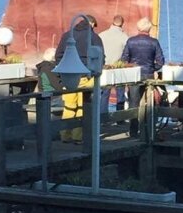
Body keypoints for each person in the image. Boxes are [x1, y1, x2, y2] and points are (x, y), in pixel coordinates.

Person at [55, 14, 104, 144]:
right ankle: (79, 136)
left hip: (69, 75)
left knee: (69, 106)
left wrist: (62, 72)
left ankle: (65, 135)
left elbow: (58, 55)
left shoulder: (67, 36)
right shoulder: (94, 37)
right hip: (86, 76)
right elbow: (100, 57)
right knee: (84, 106)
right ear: (92, 24)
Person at [121, 17, 165, 138]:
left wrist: (130, 68)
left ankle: (133, 131)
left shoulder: (131, 41)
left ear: (138, 27)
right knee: (149, 104)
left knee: (134, 103)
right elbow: (161, 62)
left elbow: (124, 59)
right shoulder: (154, 42)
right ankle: (148, 130)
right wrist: (153, 68)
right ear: (149, 28)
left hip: (134, 76)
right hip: (149, 75)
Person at [99, 15, 129, 117]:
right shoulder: (124, 37)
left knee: (104, 94)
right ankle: (119, 118)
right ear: (122, 24)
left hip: (105, 67)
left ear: (112, 22)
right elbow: (127, 53)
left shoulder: (102, 35)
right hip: (118, 68)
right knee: (120, 94)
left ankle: (102, 117)